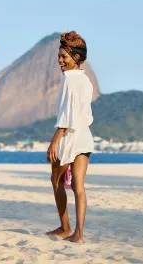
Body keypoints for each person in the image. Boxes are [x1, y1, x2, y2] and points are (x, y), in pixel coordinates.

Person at [46, 31, 94, 243]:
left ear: (76, 58)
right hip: (84, 136)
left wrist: (56, 139)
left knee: (56, 182)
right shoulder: (86, 81)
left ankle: (65, 227)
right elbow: (85, 115)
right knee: (79, 187)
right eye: (59, 56)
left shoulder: (69, 81)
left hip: (68, 137)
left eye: (64, 57)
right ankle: (79, 234)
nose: (60, 61)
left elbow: (67, 113)